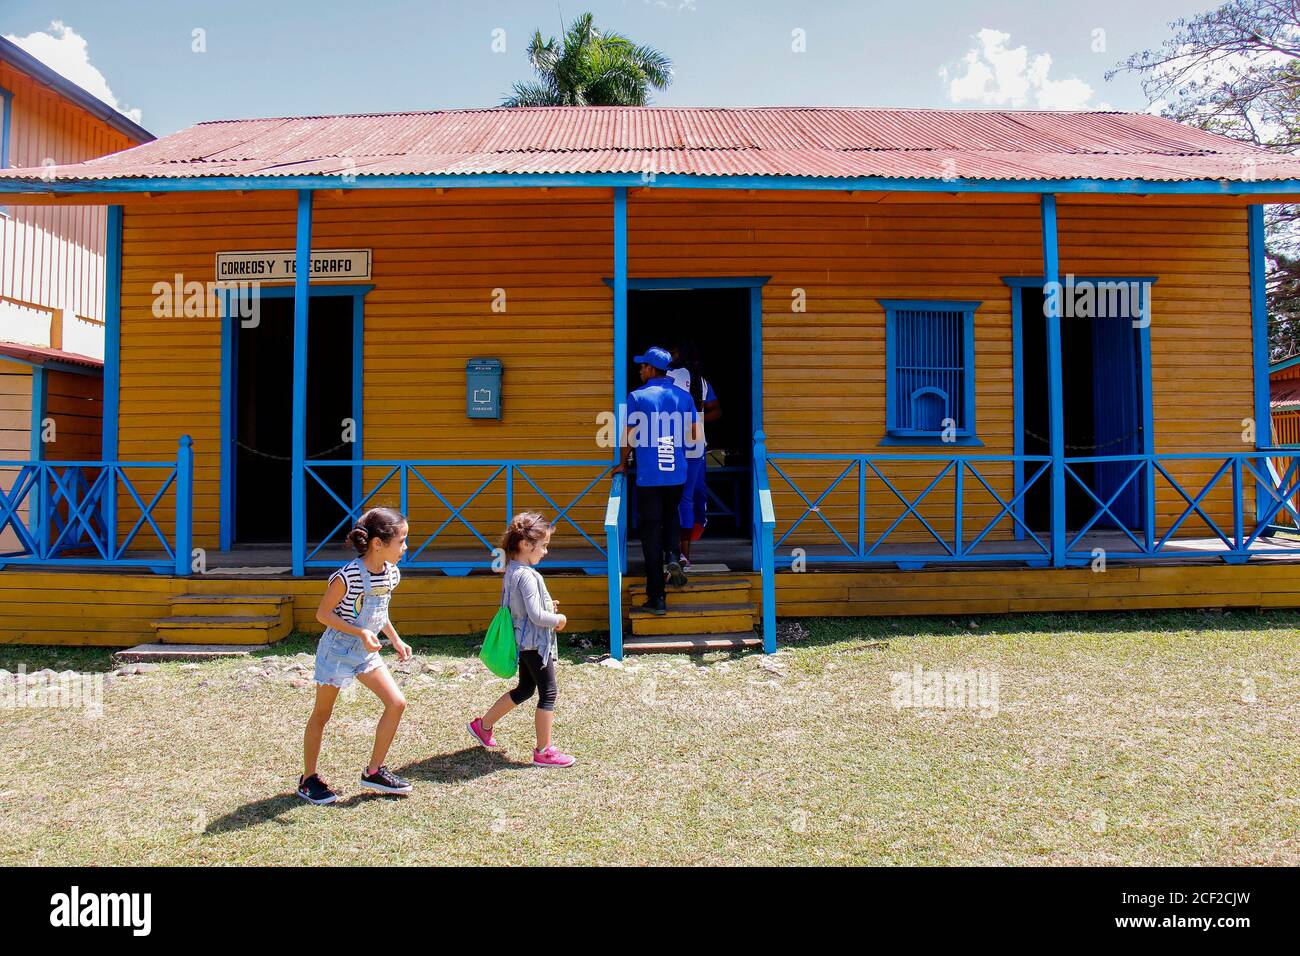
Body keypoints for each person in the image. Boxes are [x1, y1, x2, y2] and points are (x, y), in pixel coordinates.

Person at [298, 506, 414, 805]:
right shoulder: (346, 577)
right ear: (378, 544)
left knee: (396, 703)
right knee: (322, 714)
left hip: (366, 653)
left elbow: (380, 611)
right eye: (401, 540)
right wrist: (360, 632)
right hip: (337, 651)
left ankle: (374, 771)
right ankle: (308, 779)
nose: (405, 547)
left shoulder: (391, 574)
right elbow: (323, 614)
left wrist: (396, 639)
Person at [467, 513, 575, 767]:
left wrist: (547, 605)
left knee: (525, 689)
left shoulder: (512, 571)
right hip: (536, 644)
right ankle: (543, 751)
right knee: (548, 692)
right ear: (526, 545)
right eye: (544, 545)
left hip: (522, 642)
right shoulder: (528, 575)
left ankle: (483, 726)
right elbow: (537, 616)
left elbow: (523, 608)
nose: (546, 552)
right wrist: (558, 618)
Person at [611, 346, 702, 614]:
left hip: (650, 475)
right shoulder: (683, 397)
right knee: (671, 514)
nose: (639, 370)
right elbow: (695, 434)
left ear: (652, 369)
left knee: (650, 532)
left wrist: (622, 463)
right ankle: (673, 555)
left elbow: (627, 436)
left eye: (642, 366)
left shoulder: (638, 396)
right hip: (677, 472)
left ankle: (657, 597)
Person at [667, 341, 722, 567]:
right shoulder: (699, 381)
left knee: (670, 496)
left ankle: (673, 551)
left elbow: (716, 410)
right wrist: (697, 421)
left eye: (673, 351)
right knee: (689, 497)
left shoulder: (668, 378)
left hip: (672, 441)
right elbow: (716, 411)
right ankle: (685, 555)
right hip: (695, 443)